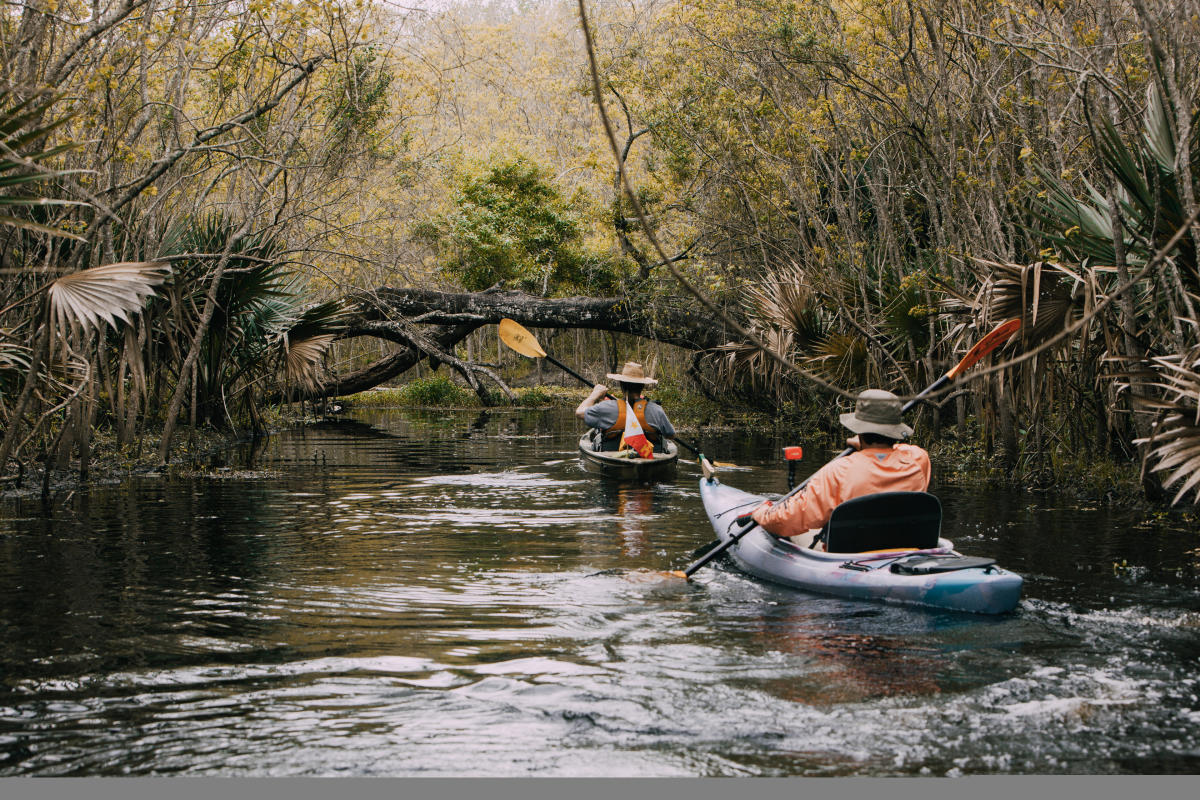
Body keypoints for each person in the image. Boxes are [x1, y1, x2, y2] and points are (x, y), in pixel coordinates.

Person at [751, 389, 930, 548]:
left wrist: (762, 514)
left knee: (781, 531)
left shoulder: (838, 471)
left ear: (859, 431)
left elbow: (785, 521)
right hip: (903, 550)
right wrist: (866, 446)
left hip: (847, 555)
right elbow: (903, 451)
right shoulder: (917, 462)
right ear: (895, 431)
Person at [575, 361, 675, 453]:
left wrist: (595, 394)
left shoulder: (605, 408)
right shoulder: (657, 410)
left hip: (612, 461)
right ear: (642, 386)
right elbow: (671, 435)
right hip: (648, 458)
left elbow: (579, 412)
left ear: (621, 385)